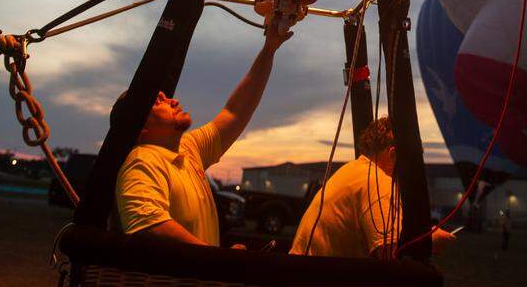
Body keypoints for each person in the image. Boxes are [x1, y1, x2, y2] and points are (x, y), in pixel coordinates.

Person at [113, 23, 292, 246]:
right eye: (158, 102)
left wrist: (269, 48)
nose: (173, 100)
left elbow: (235, 111)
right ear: (141, 128)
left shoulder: (188, 149)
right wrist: (219, 263)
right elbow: (150, 227)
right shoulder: (142, 163)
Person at [290, 116, 455, 258]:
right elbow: (388, 256)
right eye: (410, 159)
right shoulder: (378, 182)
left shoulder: (353, 170)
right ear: (393, 154)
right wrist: (429, 243)